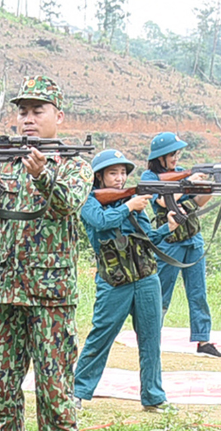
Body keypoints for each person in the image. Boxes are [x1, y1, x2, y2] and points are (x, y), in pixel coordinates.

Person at [0, 75, 92, 431]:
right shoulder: (3, 162)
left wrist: (44, 175)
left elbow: (67, 204)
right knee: (2, 379)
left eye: (37, 111)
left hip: (51, 294)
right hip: (6, 288)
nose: (27, 119)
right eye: (22, 111)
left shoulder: (75, 164)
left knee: (54, 380)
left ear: (58, 117)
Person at [73, 149, 179, 412]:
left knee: (151, 338)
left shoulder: (132, 201)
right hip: (114, 281)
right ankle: (77, 393)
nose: (119, 178)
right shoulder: (89, 200)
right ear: (99, 177)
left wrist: (168, 227)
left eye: (122, 173)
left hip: (145, 277)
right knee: (101, 337)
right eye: (113, 173)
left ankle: (154, 397)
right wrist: (129, 206)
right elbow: (99, 221)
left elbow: (148, 238)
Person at [142, 132, 221, 358]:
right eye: (172, 154)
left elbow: (198, 202)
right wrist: (188, 182)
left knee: (198, 292)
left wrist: (215, 183)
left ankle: (203, 340)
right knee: (160, 294)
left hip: (192, 238)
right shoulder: (150, 177)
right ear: (160, 156)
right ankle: (151, 339)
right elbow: (162, 200)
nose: (176, 157)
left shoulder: (181, 173)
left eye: (177, 153)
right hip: (169, 242)